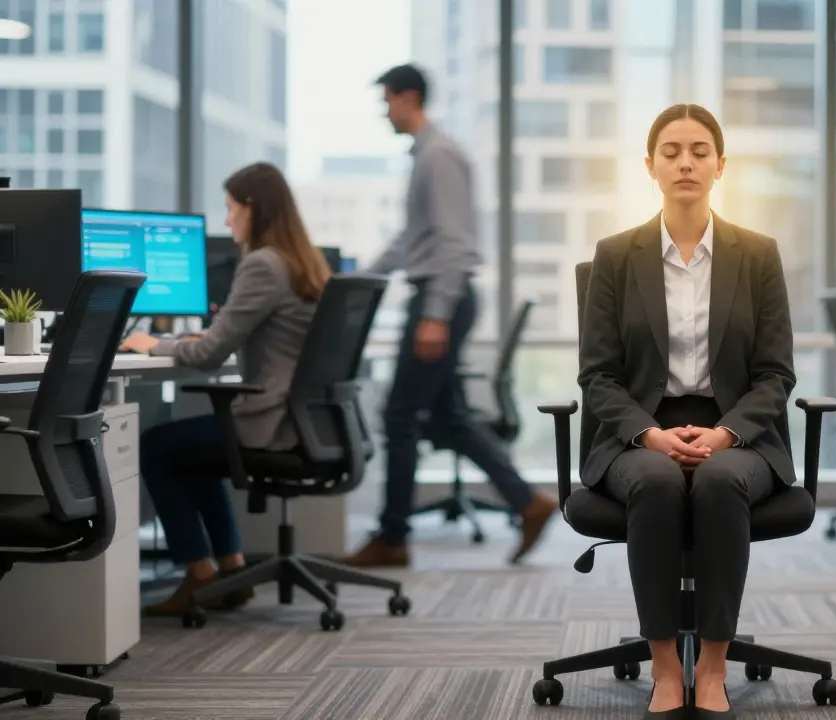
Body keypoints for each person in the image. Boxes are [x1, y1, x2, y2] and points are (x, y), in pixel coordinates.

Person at [580, 103, 789, 719]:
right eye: (671, 151)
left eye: (700, 151)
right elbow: (598, 374)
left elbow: (775, 374)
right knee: (656, 480)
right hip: (639, 430)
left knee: (722, 484)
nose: (686, 162)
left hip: (740, 431)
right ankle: (666, 664)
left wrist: (727, 434)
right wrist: (649, 435)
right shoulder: (617, 256)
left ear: (721, 166)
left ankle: (715, 663)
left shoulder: (757, 254)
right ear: (650, 166)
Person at [342, 64, 556, 569]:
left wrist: (435, 313)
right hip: (441, 295)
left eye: (387, 101)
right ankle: (529, 502)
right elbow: (413, 237)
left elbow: (455, 244)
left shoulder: (439, 155)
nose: (384, 113)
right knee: (446, 418)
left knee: (399, 416)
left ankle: (392, 536)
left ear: (408, 97)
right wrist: (359, 280)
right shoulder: (427, 156)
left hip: (442, 297)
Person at [119, 162, 330, 616]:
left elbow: (211, 355)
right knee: (189, 449)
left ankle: (199, 575)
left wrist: (152, 344)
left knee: (156, 445)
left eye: (230, 208)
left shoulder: (262, 264)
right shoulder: (303, 261)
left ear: (252, 208)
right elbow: (231, 341)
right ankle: (232, 571)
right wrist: (192, 341)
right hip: (305, 421)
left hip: (272, 421)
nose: (227, 219)